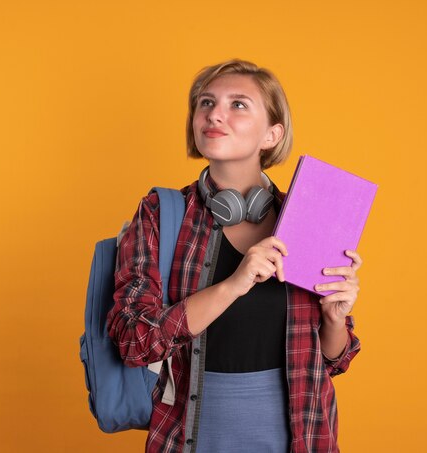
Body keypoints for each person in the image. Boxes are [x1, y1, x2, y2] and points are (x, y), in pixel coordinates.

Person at [107, 59, 362, 453]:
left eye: (238, 104)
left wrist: (334, 319)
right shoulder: (162, 214)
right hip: (193, 436)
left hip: (301, 436)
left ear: (272, 134)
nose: (215, 114)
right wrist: (232, 285)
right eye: (206, 103)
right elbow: (134, 343)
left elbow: (331, 361)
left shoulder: (313, 219)